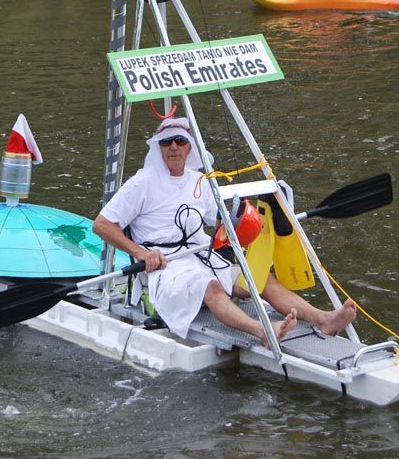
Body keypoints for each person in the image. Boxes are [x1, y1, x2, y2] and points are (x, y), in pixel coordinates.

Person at [93, 118, 357, 350]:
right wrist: (141, 252)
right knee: (212, 286)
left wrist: (252, 221)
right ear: (158, 148)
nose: (173, 147)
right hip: (164, 266)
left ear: (189, 147)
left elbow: (220, 221)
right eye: (166, 143)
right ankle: (263, 331)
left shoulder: (199, 180)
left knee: (261, 277)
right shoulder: (142, 182)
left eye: (179, 141)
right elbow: (102, 224)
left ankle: (324, 319)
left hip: (200, 254)